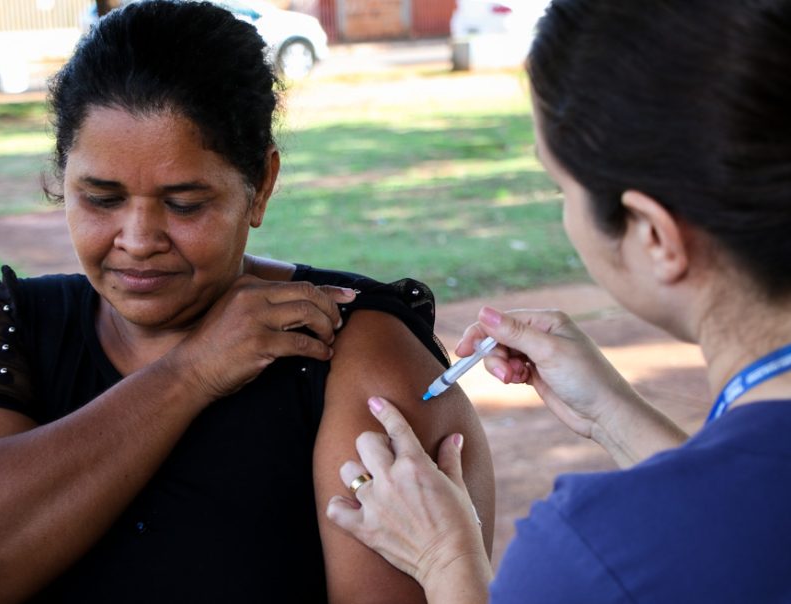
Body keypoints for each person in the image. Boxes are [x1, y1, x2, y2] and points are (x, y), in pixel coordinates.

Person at [0, 2, 495, 602]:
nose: (138, 240)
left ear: (260, 187)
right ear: (60, 178)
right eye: (101, 198)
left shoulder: (347, 346)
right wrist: (190, 373)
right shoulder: (15, 325)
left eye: (185, 204)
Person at [326, 0, 791, 601]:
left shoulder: (598, 550)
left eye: (560, 187)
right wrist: (611, 414)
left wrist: (448, 560)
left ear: (652, 234)